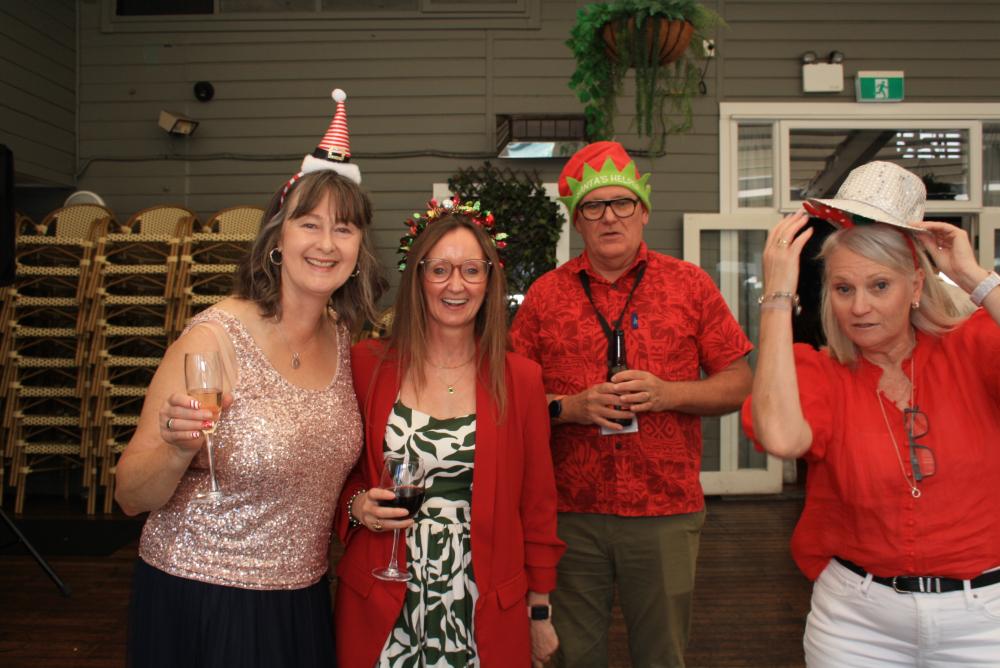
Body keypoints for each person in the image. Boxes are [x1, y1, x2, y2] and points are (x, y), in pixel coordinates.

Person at [115, 90, 387, 667]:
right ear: (277, 239)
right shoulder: (214, 338)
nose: (326, 243)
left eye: (344, 229)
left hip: (302, 600)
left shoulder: (346, 343)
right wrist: (176, 447)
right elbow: (130, 496)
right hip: (203, 597)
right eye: (309, 224)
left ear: (359, 250)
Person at [743, 160, 1000, 666]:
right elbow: (781, 438)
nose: (859, 307)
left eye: (879, 286)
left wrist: (974, 278)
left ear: (916, 287)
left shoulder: (971, 349)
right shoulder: (822, 372)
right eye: (844, 289)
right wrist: (776, 298)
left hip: (985, 620)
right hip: (857, 622)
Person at [509, 141, 753, 668]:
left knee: (661, 655)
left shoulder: (689, 286)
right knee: (573, 656)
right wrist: (568, 408)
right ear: (578, 220)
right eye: (594, 207)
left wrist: (670, 393)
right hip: (569, 512)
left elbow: (738, 381)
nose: (609, 217)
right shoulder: (545, 298)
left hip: (665, 510)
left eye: (622, 203)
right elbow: (506, 397)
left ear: (643, 211)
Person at [333, 198, 565, 668]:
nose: (455, 285)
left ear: (489, 281)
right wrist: (357, 507)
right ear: (418, 278)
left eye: (471, 270)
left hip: (481, 602)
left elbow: (537, 503)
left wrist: (539, 609)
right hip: (383, 591)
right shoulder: (366, 366)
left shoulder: (520, 379)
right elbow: (333, 473)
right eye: (439, 270)